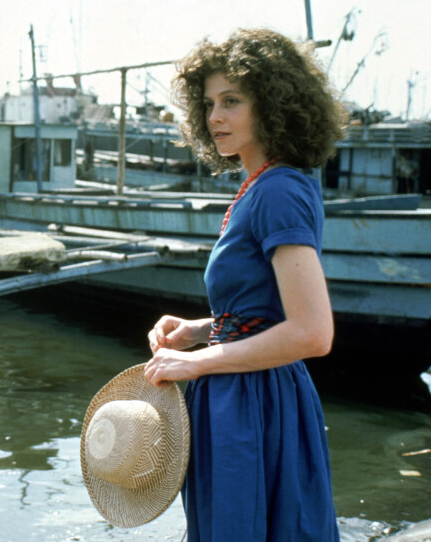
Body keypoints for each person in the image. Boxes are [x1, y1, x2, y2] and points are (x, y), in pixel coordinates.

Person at [144, 28, 346, 541]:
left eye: (231, 101)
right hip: (242, 395)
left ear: (273, 105)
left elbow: (312, 332)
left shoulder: (278, 190)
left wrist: (196, 362)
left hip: (255, 405)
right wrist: (199, 330)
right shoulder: (262, 185)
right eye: (209, 103)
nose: (215, 117)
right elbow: (268, 309)